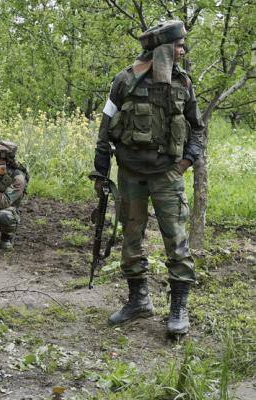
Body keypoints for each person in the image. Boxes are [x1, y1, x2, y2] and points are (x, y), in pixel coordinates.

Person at [92, 20, 205, 335]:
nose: (182, 51)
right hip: (130, 176)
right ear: (163, 48)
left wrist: (183, 163)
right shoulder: (123, 81)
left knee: (176, 241)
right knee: (131, 240)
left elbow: (197, 129)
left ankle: (178, 310)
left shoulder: (183, 83)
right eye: (178, 46)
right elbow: (105, 130)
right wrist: (100, 173)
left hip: (167, 175)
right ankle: (138, 301)